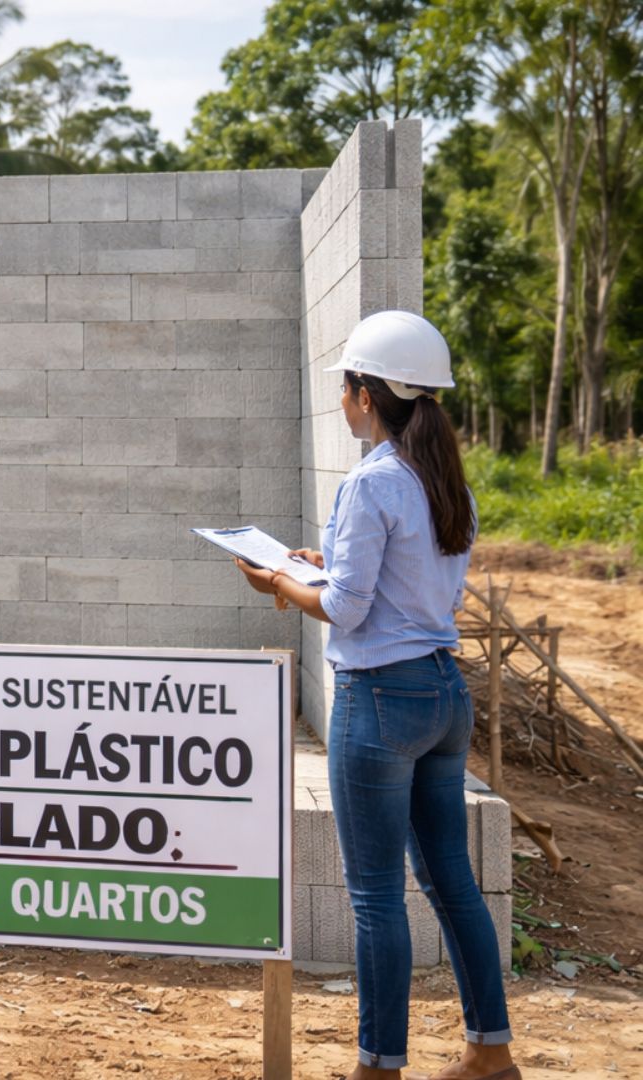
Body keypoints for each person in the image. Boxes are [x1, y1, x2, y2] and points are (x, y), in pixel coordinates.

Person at [234, 311, 517, 1080]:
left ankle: (378, 1067)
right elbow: (418, 584)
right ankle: (490, 1053)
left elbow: (349, 609)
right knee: (451, 880)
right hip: (442, 694)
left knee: (375, 899)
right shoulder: (442, 479)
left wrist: (279, 582)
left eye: (346, 389)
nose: (342, 401)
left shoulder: (372, 482)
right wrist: (324, 562)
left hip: (381, 703)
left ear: (363, 394)